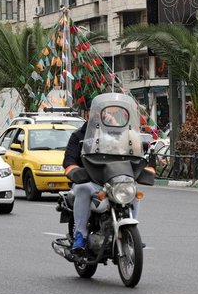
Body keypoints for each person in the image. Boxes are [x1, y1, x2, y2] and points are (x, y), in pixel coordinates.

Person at [63, 102, 154, 252]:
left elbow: (131, 151)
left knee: (133, 191)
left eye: (103, 112)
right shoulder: (78, 135)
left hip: (114, 180)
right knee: (83, 189)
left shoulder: (118, 133)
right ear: (89, 114)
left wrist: (118, 127)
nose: (101, 115)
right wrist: (75, 171)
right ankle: (80, 235)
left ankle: (132, 233)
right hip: (89, 179)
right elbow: (69, 160)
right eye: (96, 112)